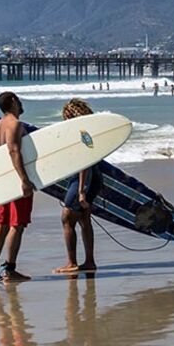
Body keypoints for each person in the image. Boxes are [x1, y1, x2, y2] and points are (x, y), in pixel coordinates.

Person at [0, 92, 34, 283]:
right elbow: (14, 150)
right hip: (17, 182)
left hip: (4, 183)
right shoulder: (15, 124)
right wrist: (24, 179)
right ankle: (10, 270)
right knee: (17, 225)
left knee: (2, 225)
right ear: (13, 101)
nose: (21, 103)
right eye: (19, 100)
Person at [54, 98, 100, 274]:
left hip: (84, 178)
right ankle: (89, 262)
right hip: (93, 176)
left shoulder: (80, 132)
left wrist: (81, 191)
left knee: (67, 217)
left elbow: (85, 160)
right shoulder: (88, 131)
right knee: (84, 218)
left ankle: (71, 262)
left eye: (66, 116)